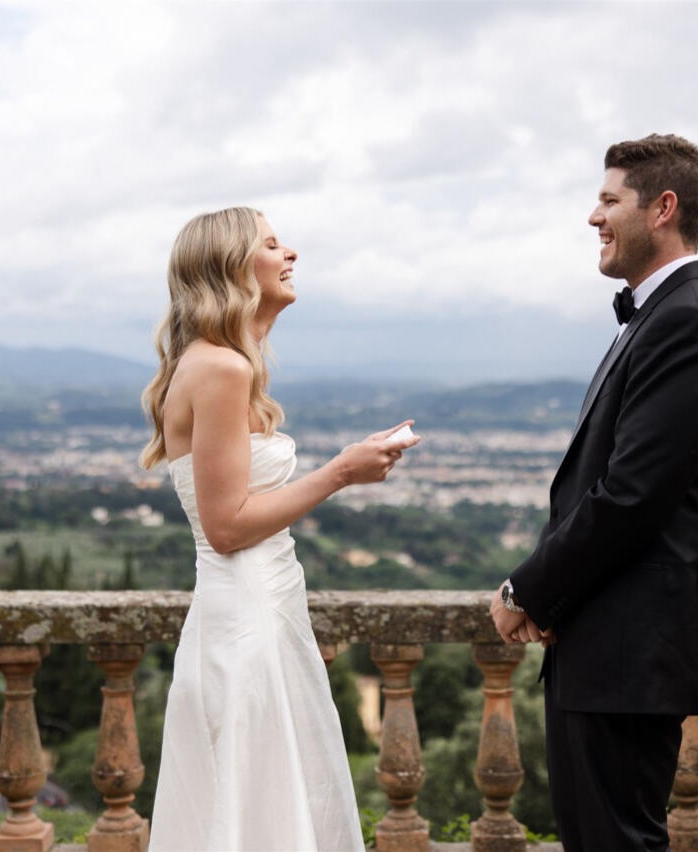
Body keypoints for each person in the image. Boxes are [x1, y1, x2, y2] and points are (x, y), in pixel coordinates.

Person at [490, 134, 698, 851]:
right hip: (611, 647)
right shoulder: (663, 316)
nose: (592, 217)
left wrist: (526, 590)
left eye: (609, 200)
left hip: (630, 654)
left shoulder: (689, 322)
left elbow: (631, 496)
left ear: (663, 209)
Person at [141, 206, 418, 851]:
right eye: (271, 245)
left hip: (256, 609)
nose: (290, 253)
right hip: (244, 619)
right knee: (257, 800)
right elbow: (227, 528)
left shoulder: (226, 362)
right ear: (234, 268)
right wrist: (341, 472)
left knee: (258, 801)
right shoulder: (222, 368)